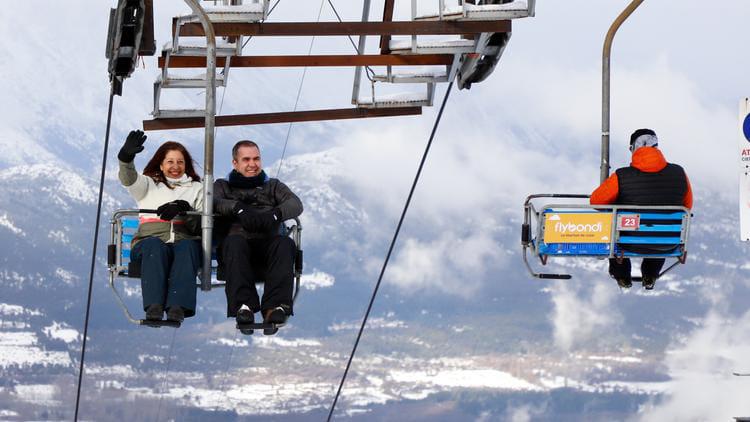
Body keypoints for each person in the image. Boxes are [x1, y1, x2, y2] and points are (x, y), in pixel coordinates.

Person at [213, 140, 302, 334]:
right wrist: (237, 208)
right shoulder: (224, 186)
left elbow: (295, 204)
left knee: (285, 244)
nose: (252, 164)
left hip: (267, 249)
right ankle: (243, 307)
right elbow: (213, 201)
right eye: (246, 159)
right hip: (237, 248)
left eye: (256, 159)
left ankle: (274, 308)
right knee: (234, 242)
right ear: (235, 163)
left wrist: (275, 214)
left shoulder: (272, 186)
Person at [590, 128, 693, 290]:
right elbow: (687, 206)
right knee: (659, 234)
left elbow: (596, 201)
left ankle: (622, 275)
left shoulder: (622, 176)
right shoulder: (679, 173)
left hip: (628, 243)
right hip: (668, 243)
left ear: (633, 149)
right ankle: (650, 274)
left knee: (613, 228)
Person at [118, 130, 203, 322]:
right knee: (154, 246)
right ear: (161, 165)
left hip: (184, 240)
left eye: (180, 162)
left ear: (186, 164)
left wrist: (184, 208)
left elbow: (201, 226)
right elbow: (129, 179)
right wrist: (126, 158)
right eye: (170, 162)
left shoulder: (198, 188)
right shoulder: (148, 184)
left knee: (188, 247)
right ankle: (154, 306)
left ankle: (177, 307)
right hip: (148, 243)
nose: (175, 167)